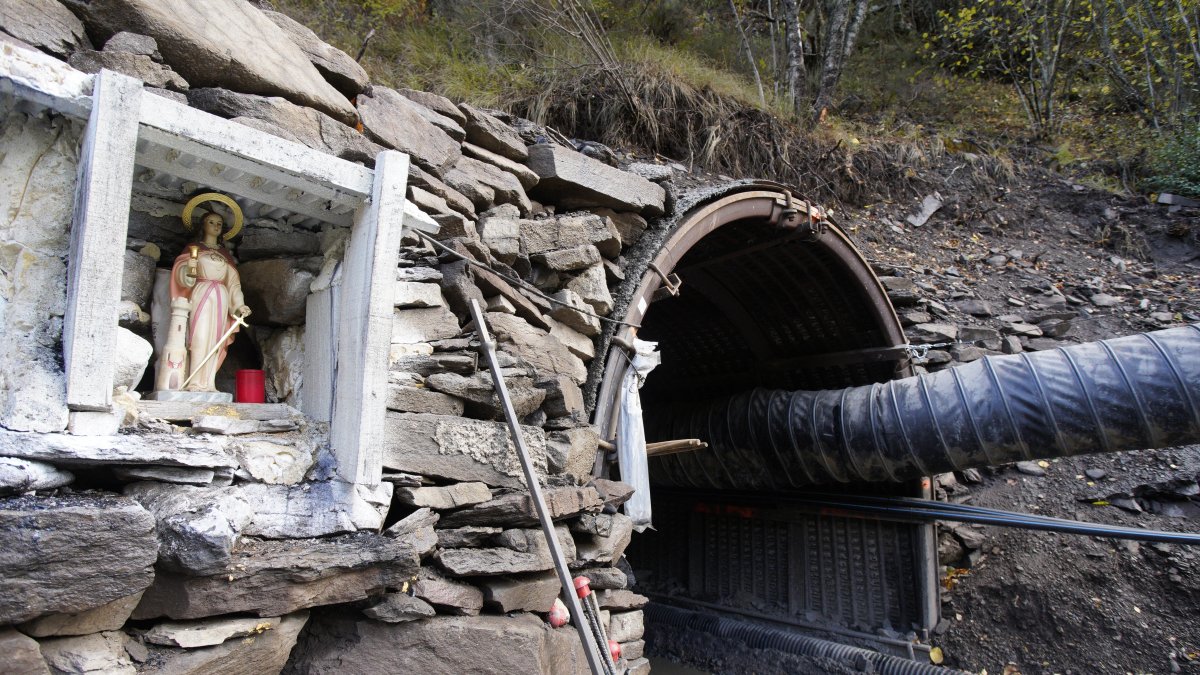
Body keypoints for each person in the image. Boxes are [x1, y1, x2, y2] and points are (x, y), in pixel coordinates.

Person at [166, 210, 251, 392]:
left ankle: (209, 383)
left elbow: (233, 285)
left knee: (215, 339)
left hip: (221, 296)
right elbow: (183, 274)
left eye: (219, 222)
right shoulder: (193, 249)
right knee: (199, 336)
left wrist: (239, 306)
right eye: (211, 222)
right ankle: (194, 382)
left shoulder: (224, 255)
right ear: (203, 225)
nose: (216, 226)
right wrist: (188, 270)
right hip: (202, 293)